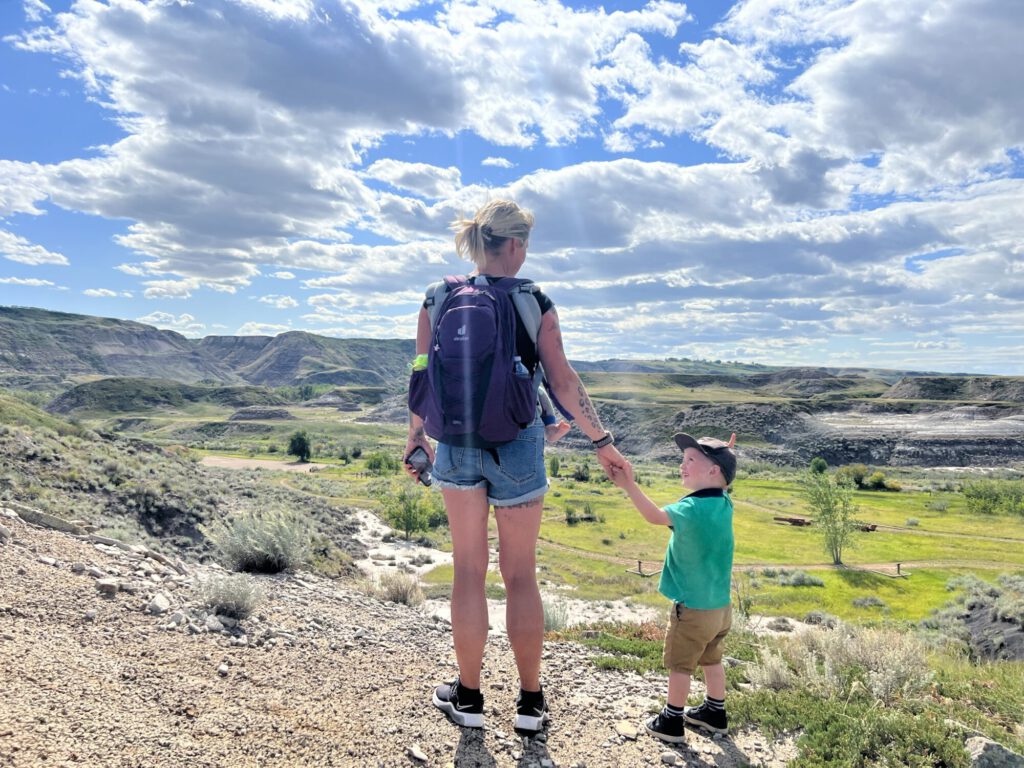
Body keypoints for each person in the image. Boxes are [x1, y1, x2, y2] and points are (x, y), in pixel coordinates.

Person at [404, 199, 627, 734]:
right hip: (520, 443)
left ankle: (470, 698)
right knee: (521, 575)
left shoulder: (437, 297)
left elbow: (419, 373)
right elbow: (563, 382)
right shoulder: (533, 300)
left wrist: (416, 438)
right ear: (516, 244)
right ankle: (530, 704)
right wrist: (602, 441)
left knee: (468, 572)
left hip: (455, 443)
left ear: (478, 244)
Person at [608, 432, 736, 744]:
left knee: (681, 665)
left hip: (692, 608)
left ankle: (671, 720)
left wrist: (629, 485)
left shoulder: (690, 508)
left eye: (691, 460)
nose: (682, 465)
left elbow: (654, 516)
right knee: (712, 659)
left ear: (713, 471)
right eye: (683, 459)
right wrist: (728, 455)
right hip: (720, 607)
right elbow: (723, 482)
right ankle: (714, 714)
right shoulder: (724, 503)